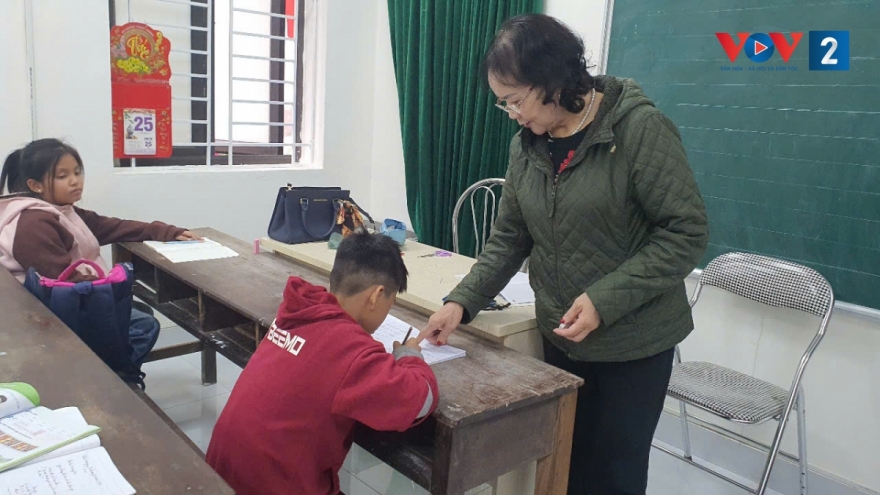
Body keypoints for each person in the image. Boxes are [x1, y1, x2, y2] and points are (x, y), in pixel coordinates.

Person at [419, 14, 709, 495]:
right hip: (562, 335)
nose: (512, 114)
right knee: (564, 467)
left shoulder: (639, 130)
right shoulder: (527, 146)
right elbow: (510, 238)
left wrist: (603, 300)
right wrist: (461, 301)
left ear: (552, 80)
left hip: (632, 344)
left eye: (516, 100)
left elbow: (686, 233)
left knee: (612, 475)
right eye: (503, 103)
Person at [206, 232, 439, 495]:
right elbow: (422, 399)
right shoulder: (351, 350)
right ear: (376, 295)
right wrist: (409, 356)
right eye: (390, 304)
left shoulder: (299, 313)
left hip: (222, 475)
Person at [0, 138, 200, 366]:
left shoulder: (61, 212)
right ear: (36, 185)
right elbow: (62, 280)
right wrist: (108, 288)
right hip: (45, 310)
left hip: (68, 300)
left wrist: (165, 231)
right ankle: (113, 375)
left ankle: (112, 369)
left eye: (77, 172)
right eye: (62, 176)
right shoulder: (33, 224)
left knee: (139, 313)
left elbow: (111, 226)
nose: (75, 181)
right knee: (144, 325)